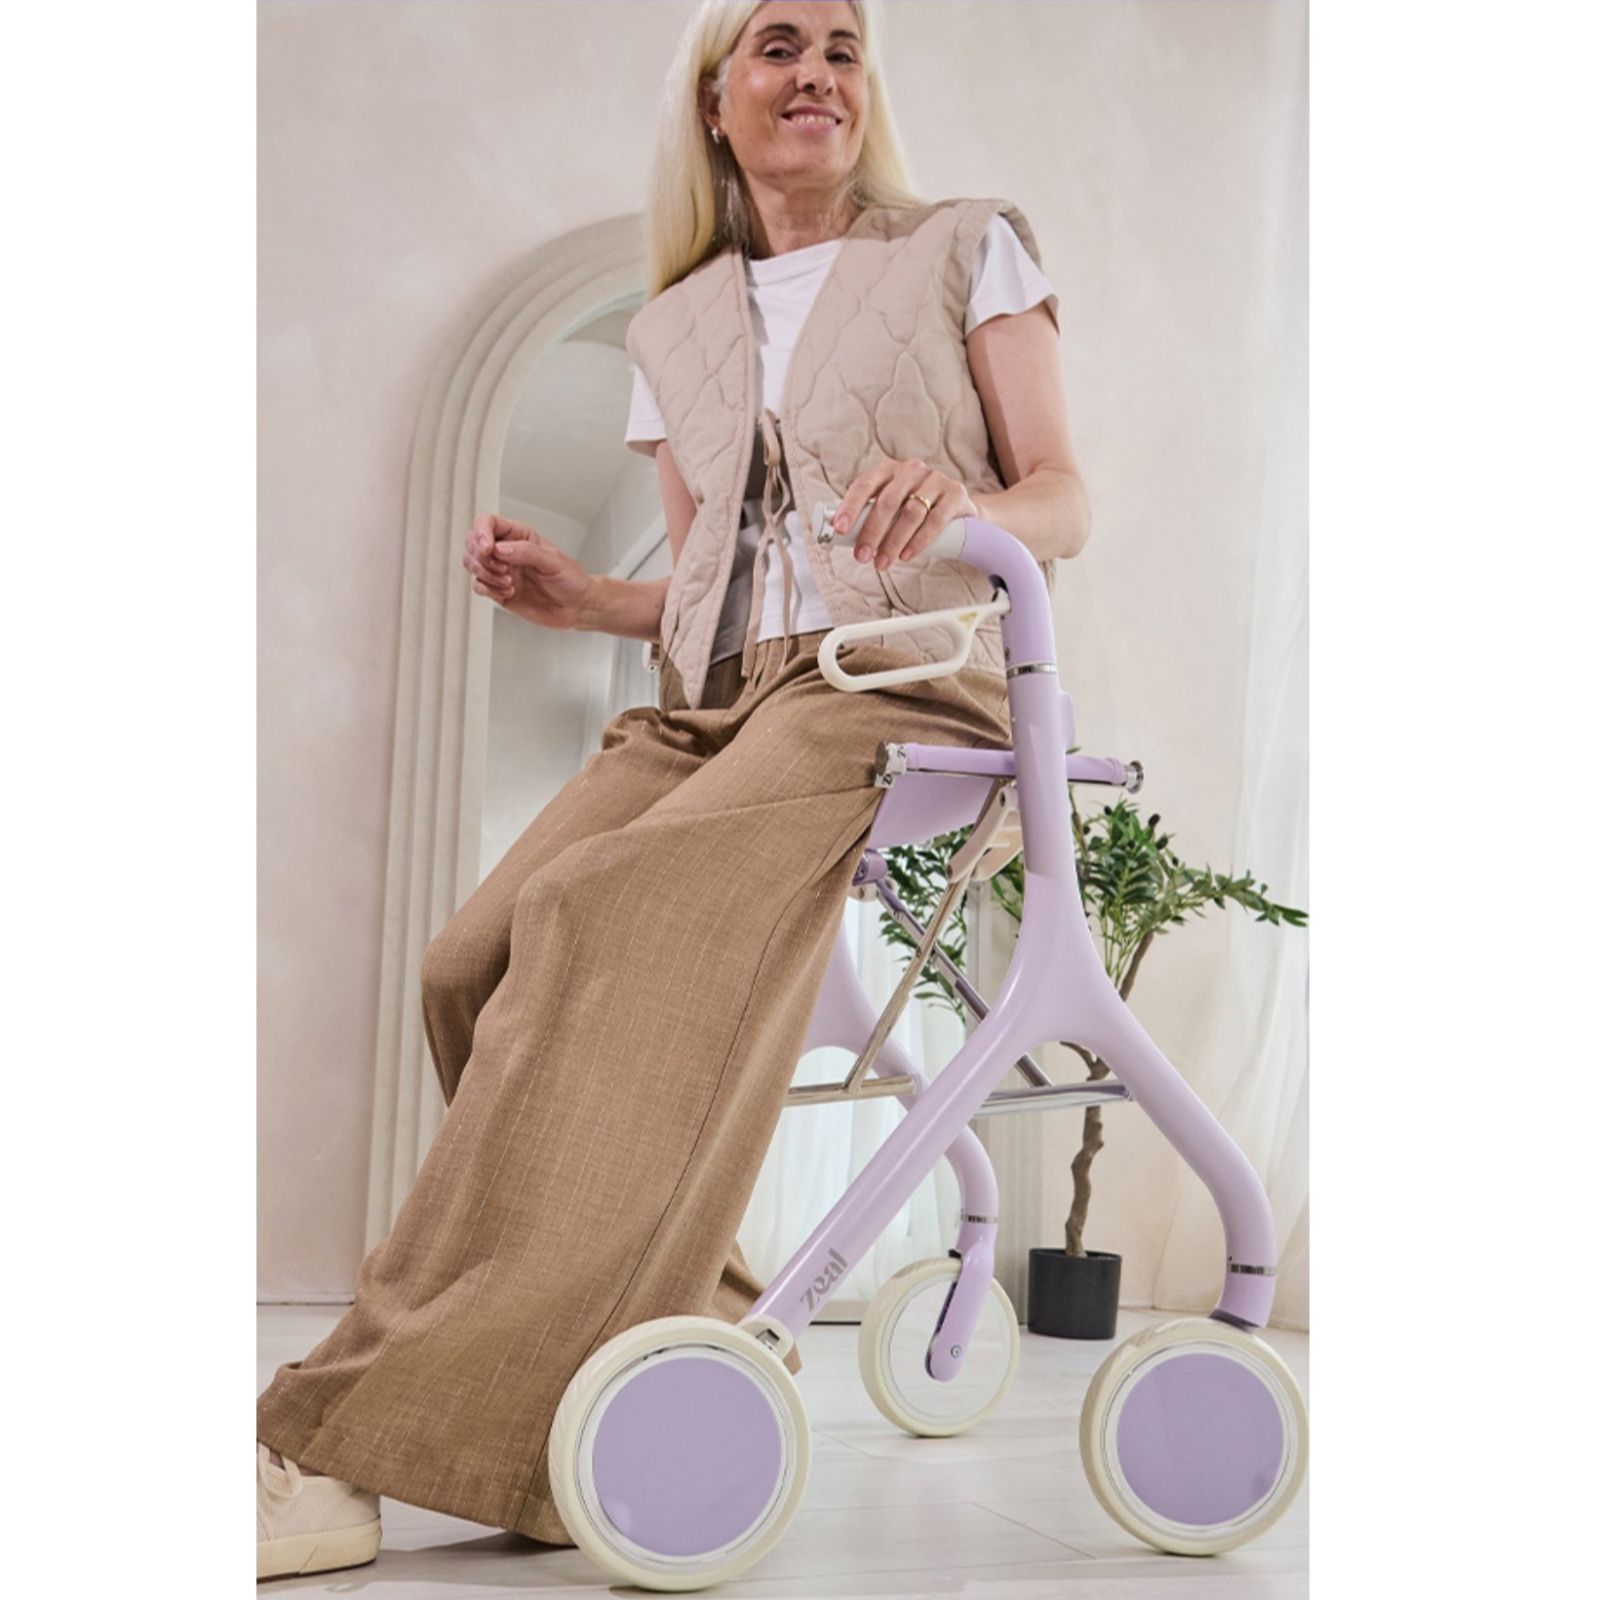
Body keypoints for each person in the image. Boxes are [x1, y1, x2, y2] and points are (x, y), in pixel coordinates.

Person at [255, 0, 1090, 1581]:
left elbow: (1064, 495)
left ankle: (339, 1435)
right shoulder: (675, 327)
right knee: (470, 960)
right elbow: (713, 579)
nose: (817, 73)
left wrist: (963, 501)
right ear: (715, 99)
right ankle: (672, 1326)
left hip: (903, 678)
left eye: (842, 46)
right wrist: (590, 602)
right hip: (715, 696)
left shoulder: (966, 245)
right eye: (778, 44)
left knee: (602, 906)